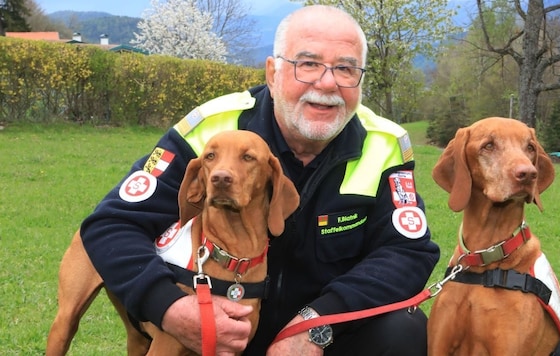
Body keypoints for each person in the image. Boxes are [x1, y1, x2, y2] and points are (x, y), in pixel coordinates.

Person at [81, 5, 440, 355]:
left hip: (321, 338)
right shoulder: (211, 130)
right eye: (308, 64)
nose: (327, 83)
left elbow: (408, 252)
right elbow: (111, 225)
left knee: (403, 330)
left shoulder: (385, 144)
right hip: (219, 331)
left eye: (345, 69)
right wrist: (171, 308)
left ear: (360, 80)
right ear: (272, 72)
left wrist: (316, 325)